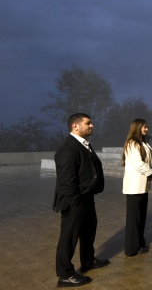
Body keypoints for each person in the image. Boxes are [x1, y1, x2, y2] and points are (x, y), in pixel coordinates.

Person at [53, 113, 109, 287]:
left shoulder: (84, 145)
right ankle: (65, 275)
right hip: (74, 201)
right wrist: (76, 202)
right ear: (75, 126)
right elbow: (66, 181)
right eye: (88, 123)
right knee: (68, 238)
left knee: (88, 232)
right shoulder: (68, 148)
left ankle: (88, 260)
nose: (91, 125)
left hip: (86, 198)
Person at [122, 119, 152, 257]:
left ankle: (139, 243)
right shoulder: (132, 143)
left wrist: (151, 172)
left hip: (143, 186)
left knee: (141, 217)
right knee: (133, 219)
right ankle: (131, 249)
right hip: (134, 187)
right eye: (144, 127)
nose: (146, 129)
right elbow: (138, 164)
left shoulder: (143, 142)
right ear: (137, 128)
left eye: (147, 126)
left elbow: (148, 161)